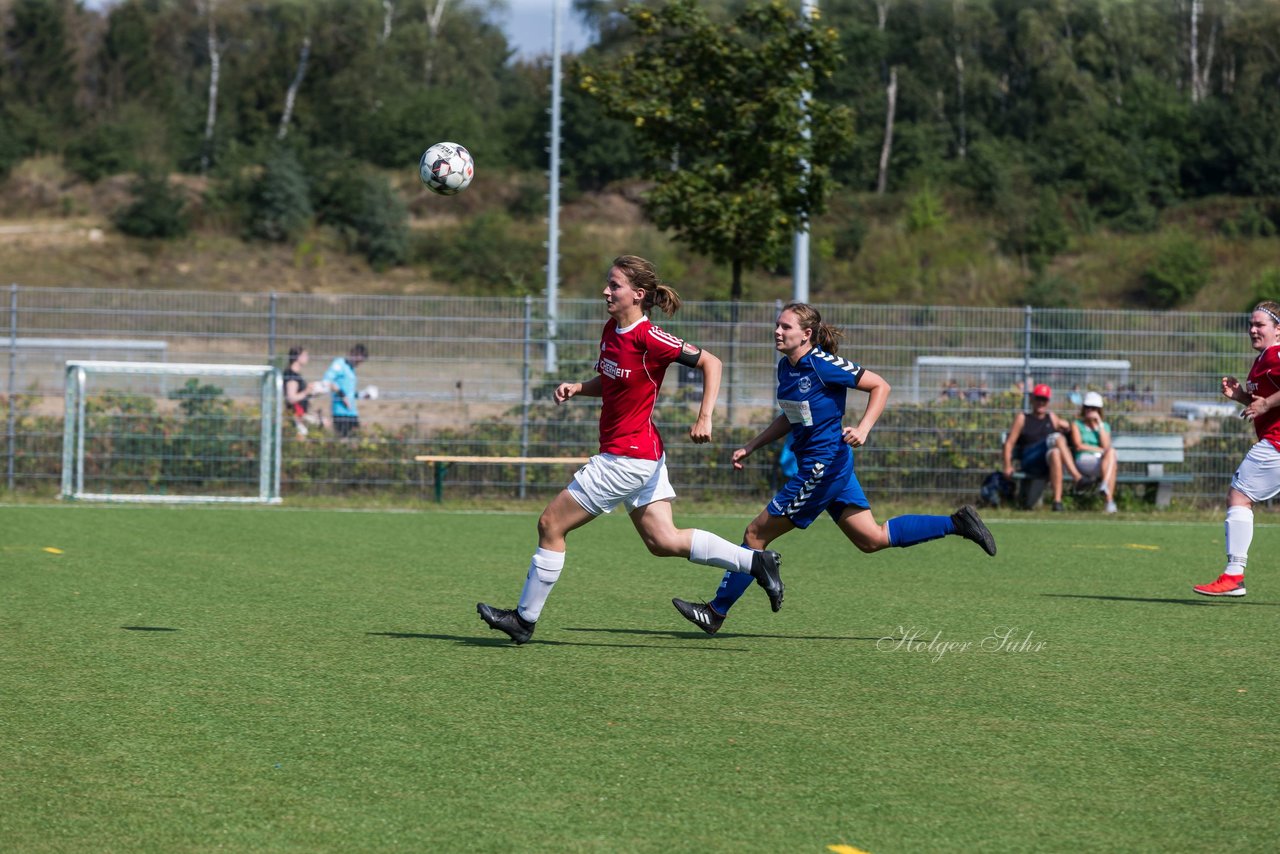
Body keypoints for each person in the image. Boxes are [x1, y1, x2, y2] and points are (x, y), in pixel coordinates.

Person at [476, 255, 784, 645]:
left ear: (638, 295)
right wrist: (579, 387)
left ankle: (524, 620)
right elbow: (612, 380)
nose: (606, 291)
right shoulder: (611, 329)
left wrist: (705, 416)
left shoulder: (650, 337)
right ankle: (757, 561)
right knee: (663, 541)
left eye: (615, 285)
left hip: (626, 458)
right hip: (640, 456)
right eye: (607, 283)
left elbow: (712, 362)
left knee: (550, 525)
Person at [670, 302, 996, 635]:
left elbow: (880, 386)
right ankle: (957, 523)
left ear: (806, 334)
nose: (777, 331)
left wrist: (864, 428)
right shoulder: (787, 367)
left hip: (821, 469)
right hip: (831, 466)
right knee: (871, 538)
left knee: (756, 535)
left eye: (785, 327)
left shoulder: (824, 365)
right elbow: (791, 415)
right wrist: (752, 446)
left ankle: (715, 611)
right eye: (777, 325)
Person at [1193, 300, 1280, 598]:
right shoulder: (1263, 359)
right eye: (1251, 324)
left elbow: (1268, 404)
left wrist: (1266, 402)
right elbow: (1263, 405)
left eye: (1261, 325)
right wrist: (1243, 397)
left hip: (1277, 443)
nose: (1253, 329)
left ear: (1278, 330)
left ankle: (1233, 575)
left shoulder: (1277, 354)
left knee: (1239, 496)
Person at [1001, 383, 1085, 511]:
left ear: (1048, 401)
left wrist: (1067, 425)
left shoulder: (1051, 417)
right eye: (1038, 399)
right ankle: (1077, 477)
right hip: (1029, 459)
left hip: (1046, 462)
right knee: (1057, 438)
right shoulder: (1023, 418)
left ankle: (1057, 502)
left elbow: (1066, 428)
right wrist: (1007, 465)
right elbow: (1009, 443)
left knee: (1056, 452)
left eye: (1044, 399)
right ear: (1032, 399)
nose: (1041, 402)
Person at [1070, 391, 1118, 513]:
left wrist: (1099, 425)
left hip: (1102, 462)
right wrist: (1100, 450)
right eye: (1087, 408)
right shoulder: (1077, 424)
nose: (1090, 411)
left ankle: (1106, 491)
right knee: (1111, 464)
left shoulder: (1104, 426)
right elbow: (1078, 446)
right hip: (1084, 460)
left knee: (1111, 455)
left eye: (1094, 408)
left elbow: (1107, 446)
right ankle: (1109, 499)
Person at [322, 344, 375, 438]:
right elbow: (327, 381)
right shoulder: (339, 364)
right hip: (340, 412)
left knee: (356, 439)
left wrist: (362, 395)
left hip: (352, 412)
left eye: (361, 362)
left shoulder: (351, 369)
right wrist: (342, 395)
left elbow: (349, 394)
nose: (358, 364)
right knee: (343, 440)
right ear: (353, 354)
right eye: (358, 360)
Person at [282, 346, 322, 438]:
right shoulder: (292, 375)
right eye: (305, 355)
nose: (307, 358)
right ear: (298, 357)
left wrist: (312, 392)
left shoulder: (296, 375)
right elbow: (291, 398)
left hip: (301, 414)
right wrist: (306, 392)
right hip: (296, 415)